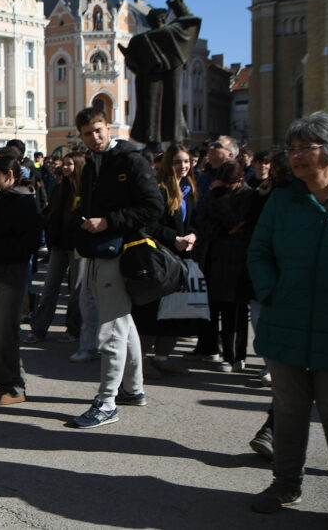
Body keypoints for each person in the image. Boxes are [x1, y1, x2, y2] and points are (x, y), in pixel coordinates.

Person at [246, 111, 328, 514]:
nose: (297, 156)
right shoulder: (283, 200)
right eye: (293, 148)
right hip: (285, 323)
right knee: (288, 410)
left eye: (307, 147)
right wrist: (272, 292)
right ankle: (285, 484)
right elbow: (259, 252)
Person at [71, 106, 163, 429]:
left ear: (108, 127)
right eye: (87, 133)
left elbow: (153, 206)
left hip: (122, 252)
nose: (94, 138)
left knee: (111, 327)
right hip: (99, 250)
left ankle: (107, 401)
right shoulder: (92, 164)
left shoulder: (130, 159)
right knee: (123, 321)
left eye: (98, 130)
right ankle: (133, 389)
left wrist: (109, 221)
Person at [0, 152, 42, 406]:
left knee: (4, 331)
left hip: (12, 273)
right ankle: (6, 383)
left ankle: (14, 386)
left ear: (10, 175)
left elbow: (31, 241)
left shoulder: (24, 201)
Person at [131, 144, 198, 380]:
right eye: (178, 162)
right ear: (168, 164)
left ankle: (163, 358)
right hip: (160, 260)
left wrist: (192, 234)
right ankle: (139, 361)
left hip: (183, 258)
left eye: (187, 162)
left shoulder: (189, 188)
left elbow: (194, 220)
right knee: (152, 314)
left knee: (175, 313)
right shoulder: (159, 190)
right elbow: (149, 225)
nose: (183, 166)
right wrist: (175, 238)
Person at [196, 161, 258, 372]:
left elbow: (237, 223)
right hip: (214, 256)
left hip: (237, 260)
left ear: (239, 180)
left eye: (227, 183)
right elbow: (202, 221)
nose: (221, 185)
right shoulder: (215, 193)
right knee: (214, 307)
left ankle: (235, 356)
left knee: (236, 311)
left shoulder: (248, 196)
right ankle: (213, 348)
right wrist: (223, 229)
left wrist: (220, 202)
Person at [29, 152, 86, 344]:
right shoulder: (60, 188)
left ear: (78, 165)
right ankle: (38, 329)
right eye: (65, 164)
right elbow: (50, 214)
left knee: (77, 290)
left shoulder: (85, 191)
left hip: (78, 246)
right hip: (59, 245)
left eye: (69, 164)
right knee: (49, 288)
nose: (65, 167)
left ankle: (73, 329)